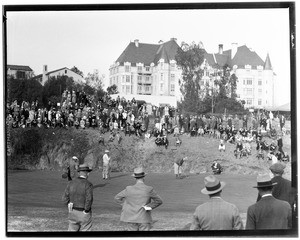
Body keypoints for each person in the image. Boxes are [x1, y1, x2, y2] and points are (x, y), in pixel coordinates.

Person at [62, 163, 93, 231]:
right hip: (83, 212)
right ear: (87, 173)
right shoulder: (88, 184)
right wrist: (86, 210)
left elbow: (64, 198)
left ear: (79, 173)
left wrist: (68, 204)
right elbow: (89, 199)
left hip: (72, 211)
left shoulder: (71, 183)